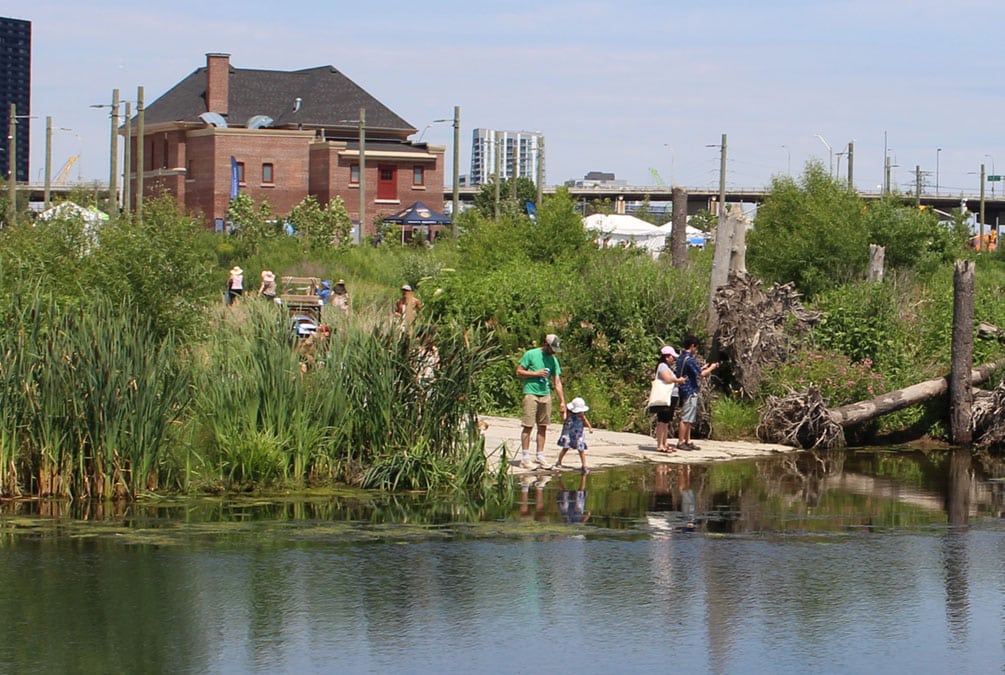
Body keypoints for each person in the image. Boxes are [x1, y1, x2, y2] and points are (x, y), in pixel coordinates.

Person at [515, 334, 566, 469]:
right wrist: (536, 374)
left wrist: (562, 402)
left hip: (545, 394)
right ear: (545, 344)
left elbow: (557, 381)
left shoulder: (554, 360)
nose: (553, 351)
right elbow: (519, 372)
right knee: (528, 425)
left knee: (543, 425)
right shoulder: (531, 354)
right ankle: (525, 458)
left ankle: (540, 455)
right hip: (531, 393)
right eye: (552, 348)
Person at [676, 335, 719, 451]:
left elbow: (695, 370)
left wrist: (704, 367)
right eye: (696, 347)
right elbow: (701, 374)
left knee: (689, 417)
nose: (696, 350)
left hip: (684, 389)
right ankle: (681, 442)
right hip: (689, 390)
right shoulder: (689, 359)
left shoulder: (681, 357)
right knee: (686, 417)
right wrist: (712, 367)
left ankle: (688, 440)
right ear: (692, 346)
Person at [650, 346, 687, 453]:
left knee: (666, 421)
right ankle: (660, 444)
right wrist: (678, 380)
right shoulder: (662, 366)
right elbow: (667, 379)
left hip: (671, 396)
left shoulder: (667, 367)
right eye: (672, 357)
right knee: (662, 420)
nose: (673, 359)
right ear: (667, 357)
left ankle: (665, 443)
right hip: (665, 396)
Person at [554, 396, 593, 474]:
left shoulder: (581, 414)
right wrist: (562, 412)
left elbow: (585, 419)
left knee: (581, 449)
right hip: (569, 433)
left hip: (578, 434)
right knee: (565, 448)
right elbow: (564, 418)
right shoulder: (568, 413)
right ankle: (559, 461)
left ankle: (584, 465)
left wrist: (589, 427)